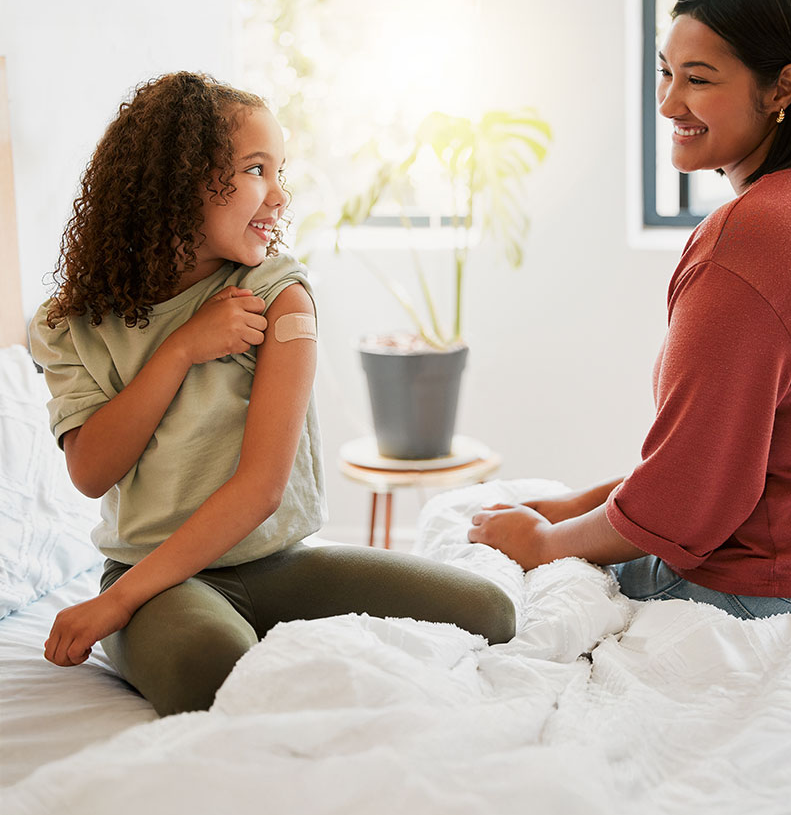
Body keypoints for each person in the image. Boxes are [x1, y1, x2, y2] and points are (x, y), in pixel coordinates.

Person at [31, 72, 515, 716]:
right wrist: (180, 350)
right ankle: (185, 628)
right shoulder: (72, 324)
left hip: (274, 563)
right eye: (256, 169)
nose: (279, 196)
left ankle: (239, 622)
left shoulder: (280, 295)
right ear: (178, 183)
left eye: (279, 169)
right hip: (153, 578)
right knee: (214, 672)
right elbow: (92, 472)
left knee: (489, 611)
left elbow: (262, 488)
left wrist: (115, 606)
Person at [470, 0, 791, 623]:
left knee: (497, 589)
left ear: (782, 86)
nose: (670, 103)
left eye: (698, 80)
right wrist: (567, 507)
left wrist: (544, 543)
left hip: (783, 588)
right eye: (666, 73)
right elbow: (739, 453)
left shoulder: (750, 235)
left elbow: (691, 498)